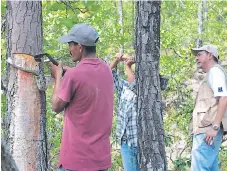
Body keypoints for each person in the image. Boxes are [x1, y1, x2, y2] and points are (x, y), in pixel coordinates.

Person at [50, 23, 114, 171]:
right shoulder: (106, 70)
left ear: (80, 46)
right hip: (100, 161)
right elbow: (87, 79)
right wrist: (70, 73)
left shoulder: (73, 75)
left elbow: (56, 106)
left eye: (70, 45)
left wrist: (58, 76)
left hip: (76, 162)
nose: (69, 49)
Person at [190, 45, 227, 171]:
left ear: (210, 55)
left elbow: (223, 98)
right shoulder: (211, 75)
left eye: (199, 54)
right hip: (207, 132)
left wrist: (215, 127)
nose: (196, 58)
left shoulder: (215, 72)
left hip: (208, 132)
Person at [109, 53, 139, 171]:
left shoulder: (142, 88)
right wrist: (117, 59)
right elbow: (109, 74)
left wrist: (128, 65)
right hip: (126, 141)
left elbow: (135, 85)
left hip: (140, 141)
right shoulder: (124, 88)